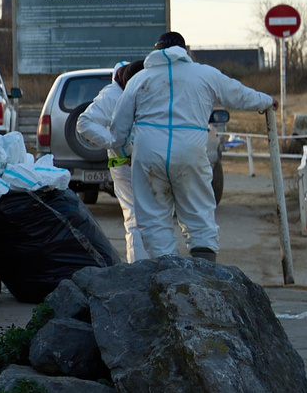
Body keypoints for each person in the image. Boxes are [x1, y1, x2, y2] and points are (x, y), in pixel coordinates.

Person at [109, 33, 271, 263]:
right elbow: (238, 94)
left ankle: (168, 277)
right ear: (185, 51)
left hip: (148, 154)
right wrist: (266, 101)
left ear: (156, 50)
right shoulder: (205, 74)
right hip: (190, 151)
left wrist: (124, 153)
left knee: (154, 220)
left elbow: (118, 127)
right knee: (198, 213)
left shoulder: (140, 79)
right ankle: (203, 275)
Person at [76, 61, 156, 259]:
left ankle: (148, 265)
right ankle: (141, 268)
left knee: (149, 217)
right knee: (137, 217)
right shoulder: (112, 95)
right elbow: (84, 123)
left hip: (143, 161)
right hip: (126, 164)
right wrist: (115, 142)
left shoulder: (129, 90)